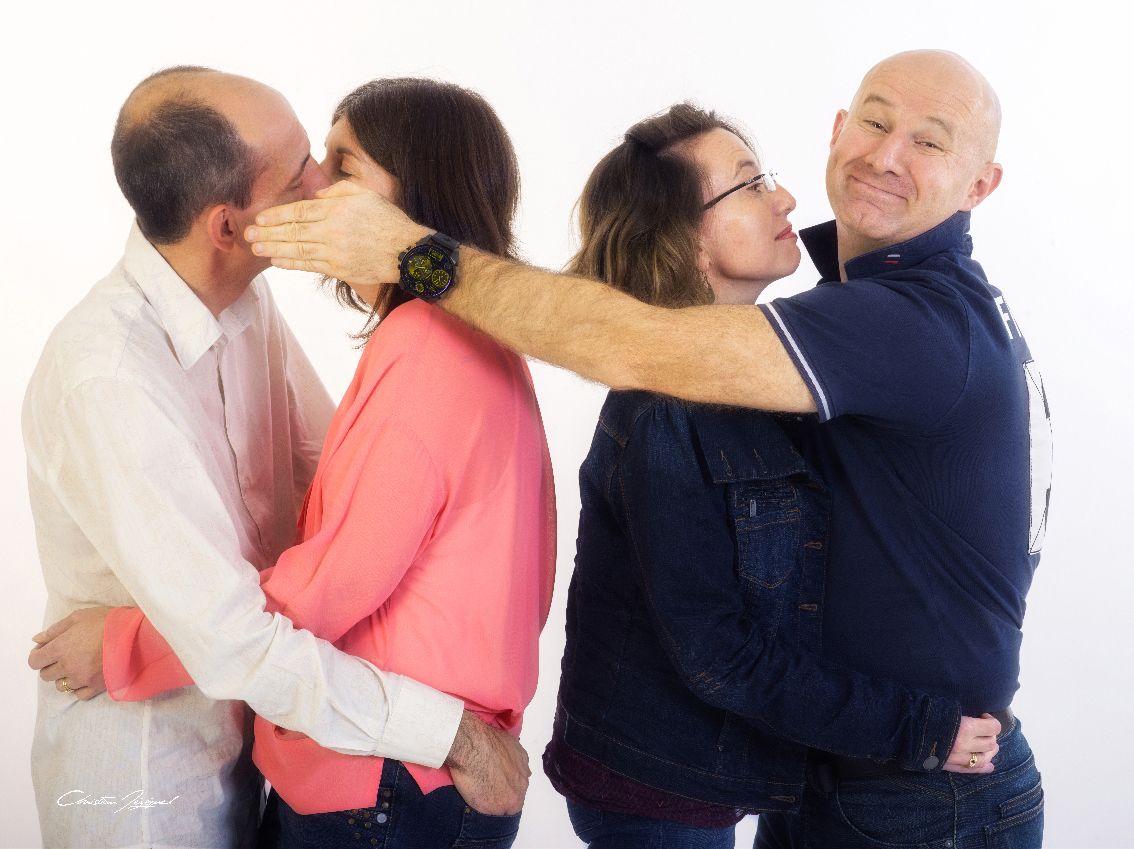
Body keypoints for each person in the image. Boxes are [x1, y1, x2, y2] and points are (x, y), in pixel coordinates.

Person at [248, 49, 1049, 848]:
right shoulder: (815, 334)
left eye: (932, 141)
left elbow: (635, 347)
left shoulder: (903, 322)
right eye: (874, 122)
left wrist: (412, 254)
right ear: (840, 131)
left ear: (981, 186)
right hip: (819, 770)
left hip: (918, 786)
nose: (885, 154)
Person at [37, 77, 556, 849]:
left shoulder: (410, 347)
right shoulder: (108, 378)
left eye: (337, 166)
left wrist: (125, 641)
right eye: (306, 171)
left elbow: (335, 542)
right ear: (228, 227)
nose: (317, 187)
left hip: (362, 768)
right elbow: (246, 627)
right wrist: (452, 730)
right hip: (155, 786)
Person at [544, 102, 1002, 849]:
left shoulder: (760, 379)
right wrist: (917, 728)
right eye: (750, 186)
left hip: (724, 776)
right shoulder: (668, 410)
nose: (786, 199)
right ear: (688, 240)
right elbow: (718, 654)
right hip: (660, 791)